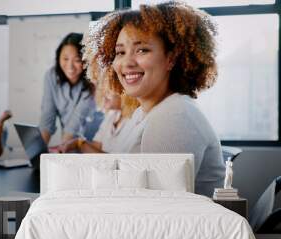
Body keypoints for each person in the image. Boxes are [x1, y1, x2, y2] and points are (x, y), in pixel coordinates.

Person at [82, 2, 225, 196]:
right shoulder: (145, 112)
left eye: (142, 50)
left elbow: (158, 209)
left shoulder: (173, 116)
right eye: (120, 52)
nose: (127, 62)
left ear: (171, 59)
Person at [39, 33, 96, 145]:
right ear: (58, 57)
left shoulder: (92, 79)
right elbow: (47, 116)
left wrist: (62, 150)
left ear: (85, 61)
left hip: (92, 146)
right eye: (65, 59)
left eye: (77, 60)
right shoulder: (51, 76)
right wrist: (39, 152)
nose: (70, 66)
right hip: (68, 146)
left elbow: (77, 120)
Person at [59, 76, 139, 153]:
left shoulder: (136, 119)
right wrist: (75, 144)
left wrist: (79, 143)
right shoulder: (112, 115)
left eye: (108, 90)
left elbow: (118, 161)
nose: (102, 95)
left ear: (123, 90)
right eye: (101, 89)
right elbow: (96, 146)